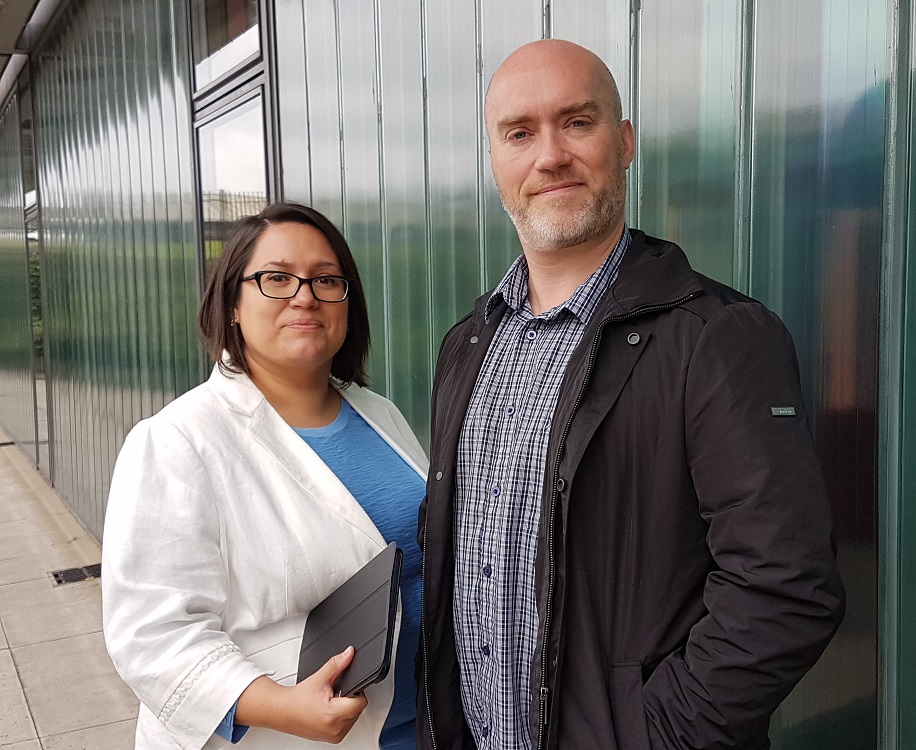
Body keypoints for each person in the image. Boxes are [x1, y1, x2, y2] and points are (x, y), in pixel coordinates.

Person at [417, 40, 846, 749]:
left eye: (577, 123)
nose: (549, 155)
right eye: (519, 132)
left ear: (624, 144)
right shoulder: (467, 344)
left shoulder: (717, 337)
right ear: (496, 160)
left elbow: (786, 586)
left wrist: (656, 736)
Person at [103, 202, 427, 750]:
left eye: (327, 280)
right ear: (232, 302)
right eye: (276, 278)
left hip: (418, 726)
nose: (305, 295)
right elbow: (152, 634)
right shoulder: (179, 440)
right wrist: (280, 706)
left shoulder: (381, 414)